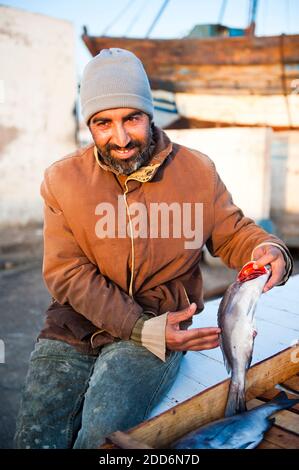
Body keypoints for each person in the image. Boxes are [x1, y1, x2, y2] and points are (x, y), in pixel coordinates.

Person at [15, 48, 292, 449]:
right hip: (74, 325)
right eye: (103, 123)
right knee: (35, 438)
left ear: (149, 114)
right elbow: (66, 272)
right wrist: (138, 326)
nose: (121, 137)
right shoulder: (62, 179)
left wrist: (269, 249)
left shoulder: (196, 170)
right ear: (89, 124)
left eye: (132, 118)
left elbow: (233, 234)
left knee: (101, 439)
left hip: (165, 323)